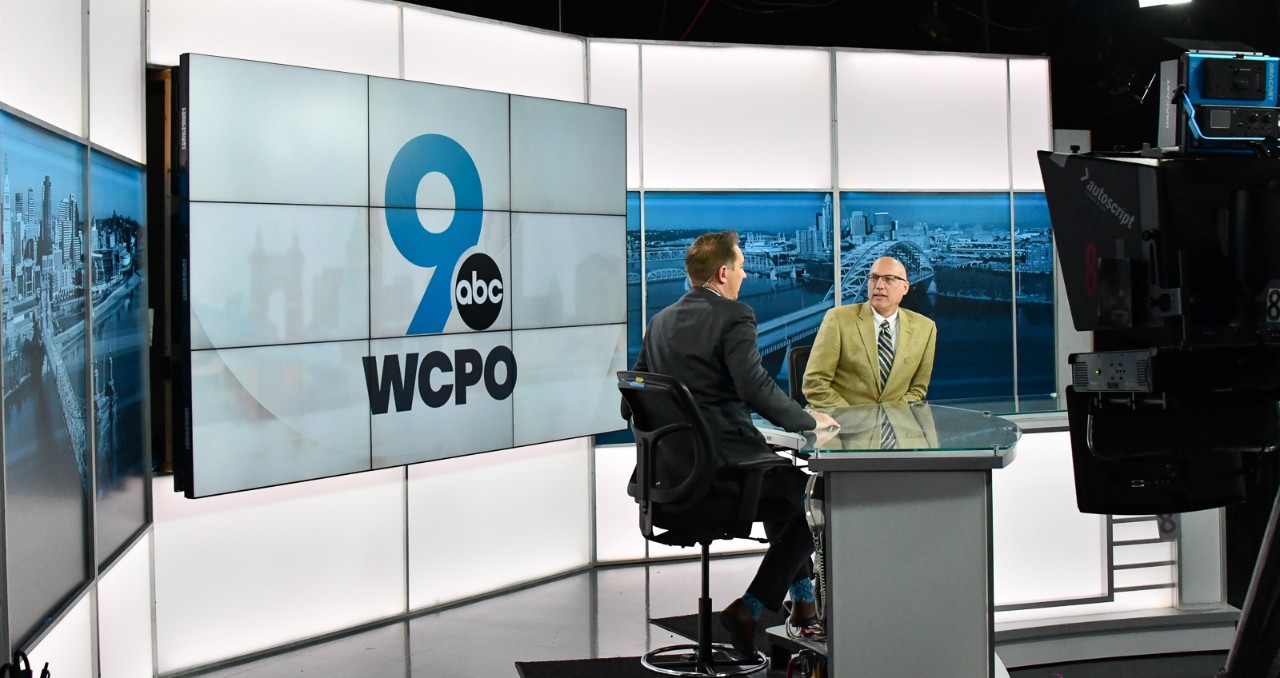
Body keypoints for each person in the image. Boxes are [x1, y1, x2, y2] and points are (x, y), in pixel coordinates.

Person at [624, 230, 839, 655]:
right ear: (723, 273)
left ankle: (802, 603)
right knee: (819, 496)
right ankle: (752, 607)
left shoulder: (660, 322)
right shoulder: (734, 315)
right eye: (741, 267)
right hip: (722, 478)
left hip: (668, 484)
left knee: (784, 486)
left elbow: (631, 403)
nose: (744, 275)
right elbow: (755, 387)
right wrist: (805, 420)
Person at [803, 256, 936, 407]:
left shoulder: (925, 328)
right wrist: (860, 418)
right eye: (874, 278)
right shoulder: (838, 319)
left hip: (895, 424)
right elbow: (815, 384)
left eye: (889, 279)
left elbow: (917, 390)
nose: (879, 285)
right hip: (843, 423)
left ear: (905, 288)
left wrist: (889, 417)